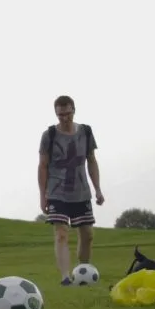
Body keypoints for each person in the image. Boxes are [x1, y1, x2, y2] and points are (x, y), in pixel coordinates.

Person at [38, 95, 104, 285]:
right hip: (57, 191)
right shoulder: (49, 135)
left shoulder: (86, 132)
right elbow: (42, 166)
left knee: (88, 234)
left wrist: (98, 189)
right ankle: (66, 277)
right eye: (60, 115)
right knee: (61, 233)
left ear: (74, 110)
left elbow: (91, 160)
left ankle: (83, 271)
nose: (64, 118)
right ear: (56, 114)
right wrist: (43, 196)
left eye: (67, 114)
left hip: (81, 191)